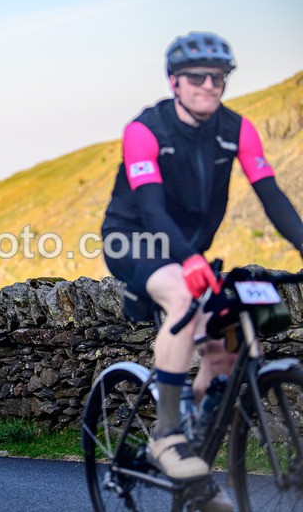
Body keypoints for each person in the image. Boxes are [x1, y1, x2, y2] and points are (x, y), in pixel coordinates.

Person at [101, 32, 303, 508]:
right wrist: (188, 260)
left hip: (188, 246)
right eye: (197, 77)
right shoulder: (146, 129)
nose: (209, 85)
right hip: (135, 239)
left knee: (226, 340)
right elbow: (151, 208)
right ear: (174, 81)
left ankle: (195, 454)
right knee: (182, 295)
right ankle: (167, 435)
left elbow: (272, 197)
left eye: (219, 77)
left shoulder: (237, 129)